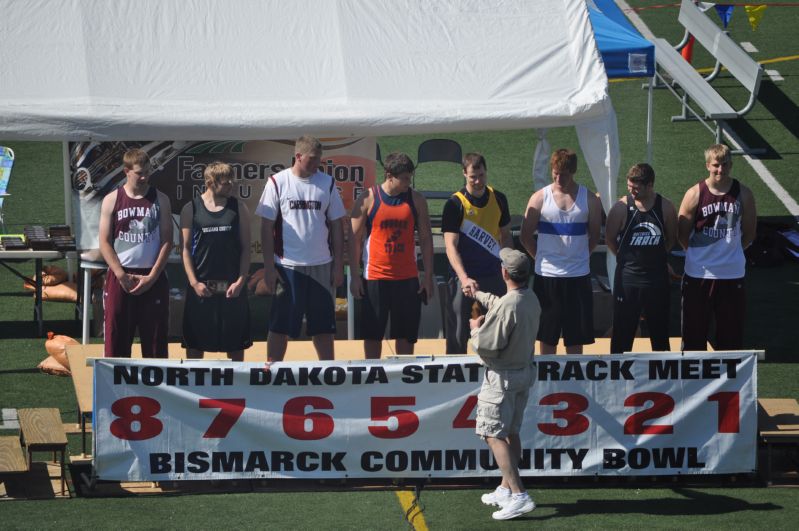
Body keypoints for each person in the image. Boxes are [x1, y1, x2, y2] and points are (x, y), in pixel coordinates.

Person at [255, 135, 346, 361]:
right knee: (280, 325)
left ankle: (328, 371)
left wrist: (338, 266)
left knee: (323, 326)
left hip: (322, 265)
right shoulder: (278, 182)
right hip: (287, 266)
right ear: (298, 156)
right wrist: (268, 268)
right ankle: (272, 371)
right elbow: (266, 227)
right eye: (312, 159)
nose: (317, 165)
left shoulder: (327, 183)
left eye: (319, 160)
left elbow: (336, 225)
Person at [469, 248, 540, 521]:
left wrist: (475, 329)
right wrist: (477, 294)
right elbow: (503, 304)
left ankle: (520, 494)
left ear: (504, 273)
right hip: (522, 374)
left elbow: (488, 346)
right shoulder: (530, 298)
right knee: (510, 432)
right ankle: (505, 487)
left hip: (502, 378)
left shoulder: (509, 305)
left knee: (492, 434)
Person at [349, 152, 434, 358]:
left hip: (407, 278)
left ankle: (403, 375)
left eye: (410, 177)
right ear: (389, 175)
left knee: (405, 336)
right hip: (375, 278)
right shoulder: (368, 198)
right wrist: (354, 276)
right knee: (372, 335)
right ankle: (373, 376)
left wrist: (428, 277)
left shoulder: (417, 200)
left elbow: (426, 239)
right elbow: (354, 239)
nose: (408, 182)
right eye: (404, 178)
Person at [519, 148, 602, 354]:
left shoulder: (590, 199)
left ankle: (573, 384)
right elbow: (525, 236)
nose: (558, 178)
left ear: (573, 172)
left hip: (578, 276)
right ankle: (548, 383)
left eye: (563, 174)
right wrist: (541, 258)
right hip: (547, 276)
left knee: (575, 338)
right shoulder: (539, 198)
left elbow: (594, 237)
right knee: (547, 337)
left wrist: (578, 258)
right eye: (555, 173)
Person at [678, 144, 756, 350]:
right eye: (716, 165)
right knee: (693, 335)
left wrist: (731, 252)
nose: (720, 170)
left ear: (731, 165)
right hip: (699, 273)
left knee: (730, 336)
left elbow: (750, 233)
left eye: (724, 165)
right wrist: (699, 255)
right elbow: (682, 234)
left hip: (731, 273)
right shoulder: (694, 194)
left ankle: (728, 382)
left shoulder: (744, 194)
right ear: (707, 166)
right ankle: (694, 381)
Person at [98, 148, 173, 358]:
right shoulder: (112, 199)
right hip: (121, 276)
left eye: (147, 172)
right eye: (139, 172)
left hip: (152, 276)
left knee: (156, 342)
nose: (144, 177)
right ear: (126, 171)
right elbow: (104, 242)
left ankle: (157, 388)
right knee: (117, 340)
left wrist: (153, 276)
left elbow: (168, 240)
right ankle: (118, 388)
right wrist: (121, 275)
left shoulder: (161, 199)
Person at [180, 162, 252, 361]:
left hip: (232, 289)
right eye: (225, 183)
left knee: (236, 346)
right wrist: (194, 283)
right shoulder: (191, 208)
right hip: (202, 289)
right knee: (195, 347)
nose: (231, 186)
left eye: (232, 181)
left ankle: (237, 387)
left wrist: (240, 281)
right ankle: (194, 389)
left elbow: (246, 248)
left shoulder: (239, 207)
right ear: (210, 183)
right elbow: (185, 249)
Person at [442, 152, 513, 353]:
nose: (478, 181)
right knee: (457, 336)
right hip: (463, 280)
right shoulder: (454, 204)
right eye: (473, 176)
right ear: (464, 174)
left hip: (493, 275)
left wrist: (509, 269)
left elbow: (506, 237)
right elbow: (450, 246)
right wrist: (464, 278)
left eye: (481, 175)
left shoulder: (499, 199)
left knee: (499, 331)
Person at [606, 163, 677, 353]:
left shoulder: (666, 207)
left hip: (657, 281)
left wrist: (657, 258)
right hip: (628, 281)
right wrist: (626, 259)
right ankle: (618, 380)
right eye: (629, 187)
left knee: (660, 334)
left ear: (650, 185)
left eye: (636, 188)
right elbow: (610, 239)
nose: (632, 191)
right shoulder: (621, 208)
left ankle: (662, 379)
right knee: (622, 334)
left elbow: (671, 239)